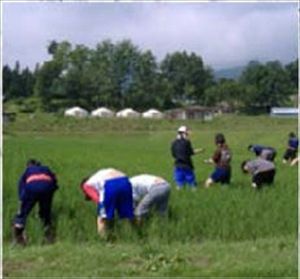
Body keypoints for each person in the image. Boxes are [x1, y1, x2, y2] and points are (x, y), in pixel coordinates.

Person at [12, 159, 58, 245]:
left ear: (28, 165)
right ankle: (49, 238)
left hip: (31, 188)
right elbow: (55, 181)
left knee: (22, 214)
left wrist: (22, 201)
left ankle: (19, 240)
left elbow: (21, 185)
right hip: (47, 188)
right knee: (45, 214)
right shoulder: (46, 168)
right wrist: (50, 192)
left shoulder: (28, 170)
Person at [80, 168, 134, 237]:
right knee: (128, 215)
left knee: (101, 218)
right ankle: (135, 235)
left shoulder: (86, 185)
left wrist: (101, 210)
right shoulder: (98, 175)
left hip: (110, 184)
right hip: (125, 181)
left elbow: (98, 200)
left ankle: (102, 240)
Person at [171, 126, 203, 190]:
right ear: (183, 133)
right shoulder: (187, 142)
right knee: (192, 184)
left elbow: (174, 155)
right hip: (187, 165)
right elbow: (190, 152)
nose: (187, 135)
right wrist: (199, 151)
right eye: (186, 134)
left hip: (177, 165)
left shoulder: (173, 142)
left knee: (179, 184)